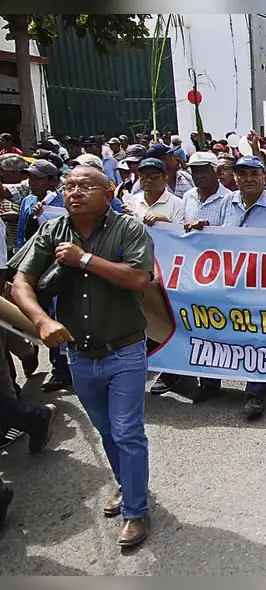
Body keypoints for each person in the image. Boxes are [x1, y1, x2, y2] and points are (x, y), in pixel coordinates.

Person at [10, 165, 155, 548]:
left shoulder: (129, 229)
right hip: (79, 354)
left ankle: (136, 511)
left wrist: (84, 260)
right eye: (69, 186)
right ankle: (127, 484)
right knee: (106, 430)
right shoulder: (52, 230)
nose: (74, 192)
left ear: (107, 193)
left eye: (85, 186)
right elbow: (20, 282)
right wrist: (41, 321)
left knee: (127, 431)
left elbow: (140, 278)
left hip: (124, 349)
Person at [187, 155, 266, 418]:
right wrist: (203, 227)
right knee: (215, 328)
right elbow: (219, 234)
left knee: (257, 335)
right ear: (234, 177)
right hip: (227, 280)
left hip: (262, 285)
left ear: (263, 177)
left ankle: (255, 393)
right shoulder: (226, 202)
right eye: (242, 174)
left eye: (254, 174)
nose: (248, 179)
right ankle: (211, 383)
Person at [123, 158, 185, 227]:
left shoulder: (177, 204)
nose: (148, 180)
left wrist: (164, 221)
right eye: (143, 176)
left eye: (154, 176)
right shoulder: (134, 200)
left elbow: (180, 232)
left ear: (165, 179)